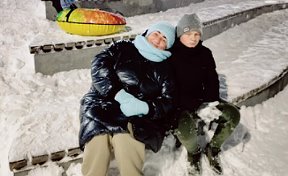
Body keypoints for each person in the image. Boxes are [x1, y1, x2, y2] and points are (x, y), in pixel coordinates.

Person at [79, 21, 176, 176]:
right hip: (101, 103)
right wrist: (118, 94)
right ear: (148, 33)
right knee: (97, 142)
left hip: (136, 116)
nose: (158, 40)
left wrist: (146, 107)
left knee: (127, 142)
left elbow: (168, 101)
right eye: (156, 33)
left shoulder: (166, 69)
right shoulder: (122, 47)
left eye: (164, 39)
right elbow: (99, 66)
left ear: (168, 46)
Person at [170, 13, 240, 175]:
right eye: (188, 34)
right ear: (180, 34)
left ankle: (213, 148)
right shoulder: (171, 55)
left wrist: (211, 102)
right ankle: (193, 152)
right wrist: (197, 106)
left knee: (232, 115)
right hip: (180, 105)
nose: (193, 38)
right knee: (184, 127)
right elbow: (171, 91)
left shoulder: (205, 53)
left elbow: (212, 80)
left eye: (196, 34)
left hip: (203, 101)